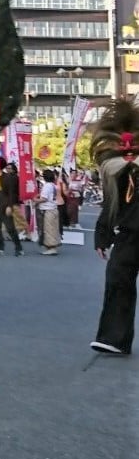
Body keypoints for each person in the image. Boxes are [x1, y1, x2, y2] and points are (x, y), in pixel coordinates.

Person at [89, 99, 139, 355]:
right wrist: (102, 236)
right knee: (117, 279)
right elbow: (110, 207)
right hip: (129, 236)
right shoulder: (116, 176)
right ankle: (114, 338)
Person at [0, 159, 23, 257]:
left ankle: (19, 247)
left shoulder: (8, 177)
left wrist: (10, 206)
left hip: (4, 206)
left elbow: (11, 193)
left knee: (10, 228)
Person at [36, 168, 60, 255]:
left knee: (48, 229)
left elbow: (44, 198)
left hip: (48, 209)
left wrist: (35, 200)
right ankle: (51, 246)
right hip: (53, 208)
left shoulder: (47, 186)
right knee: (52, 228)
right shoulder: (53, 185)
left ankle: (51, 247)